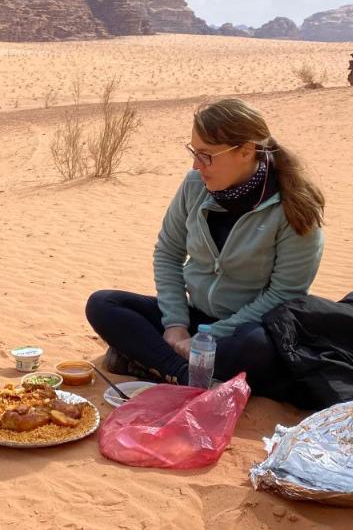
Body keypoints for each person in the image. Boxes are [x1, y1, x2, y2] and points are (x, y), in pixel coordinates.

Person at [85, 98, 324, 389]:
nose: (196, 165)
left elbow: (284, 295)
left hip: (246, 328)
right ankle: (186, 374)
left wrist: (207, 338)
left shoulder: (295, 208)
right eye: (193, 152)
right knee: (103, 304)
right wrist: (175, 325)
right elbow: (168, 253)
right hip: (192, 318)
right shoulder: (194, 185)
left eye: (206, 155)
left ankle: (154, 362)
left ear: (246, 151)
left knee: (256, 348)